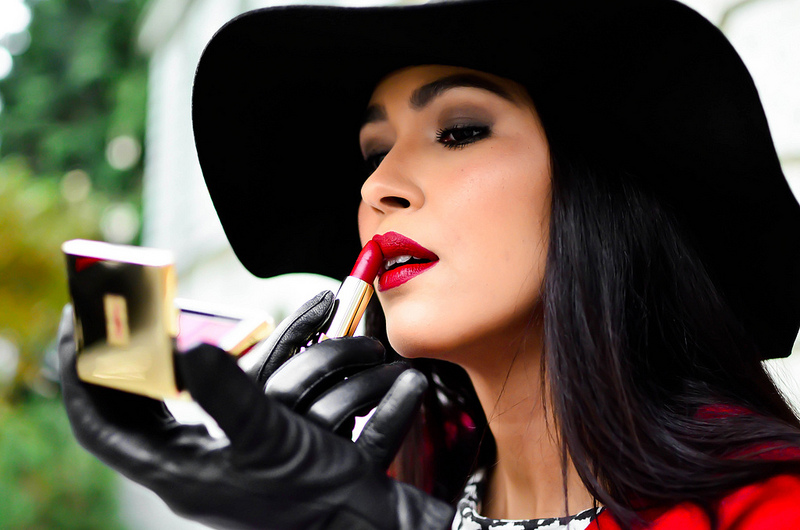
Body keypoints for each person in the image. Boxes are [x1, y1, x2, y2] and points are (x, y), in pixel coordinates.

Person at [58, 0, 800, 528]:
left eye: (460, 130)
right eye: (374, 153)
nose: (376, 187)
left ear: (594, 187)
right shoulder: (385, 479)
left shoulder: (768, 505)